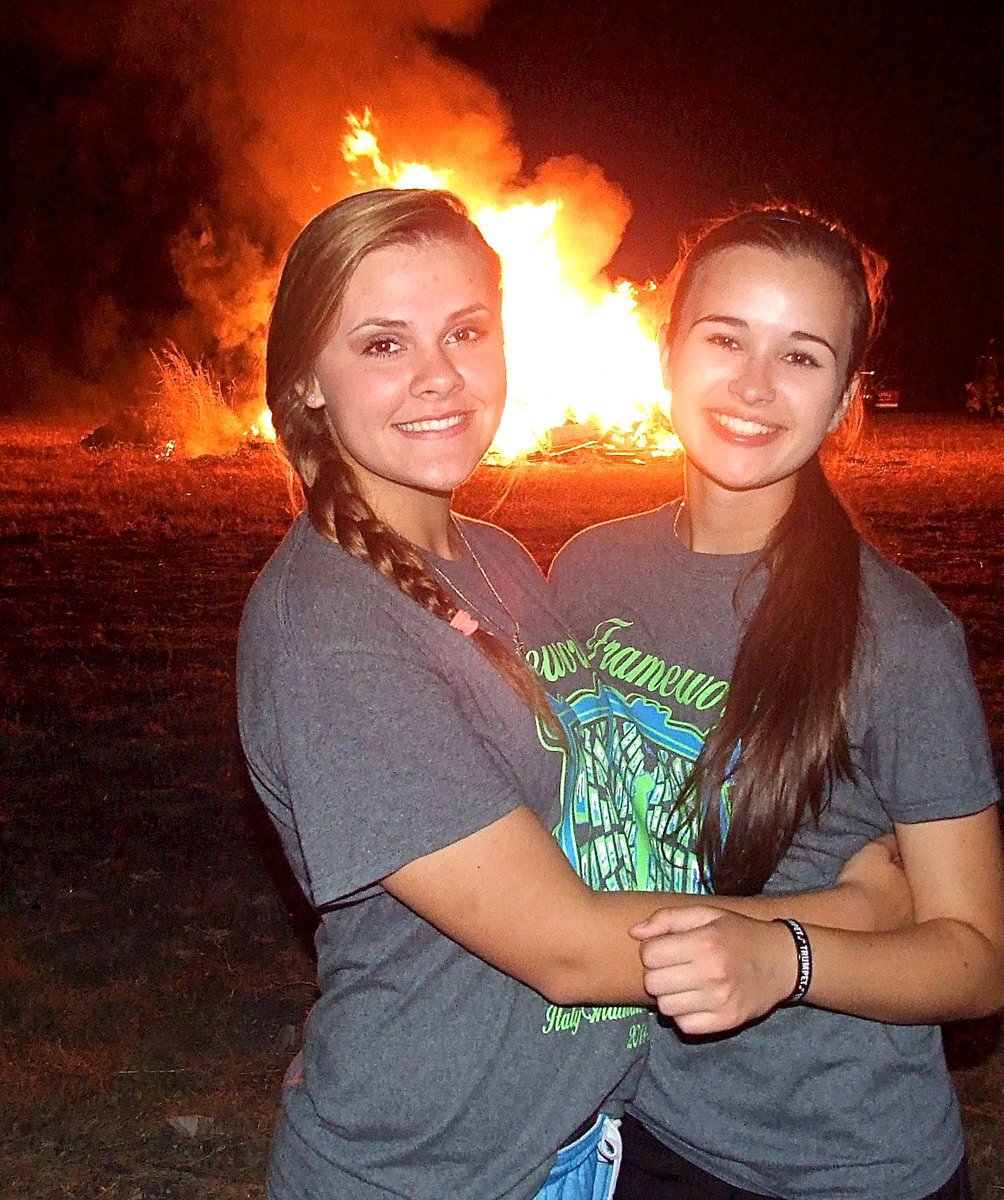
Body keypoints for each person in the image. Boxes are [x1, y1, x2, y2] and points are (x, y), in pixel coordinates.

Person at [236, 189, 911, 1200]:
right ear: (308, 384)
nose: (438, 377)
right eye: (382, 344)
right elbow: (564, 949)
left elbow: (606, 811)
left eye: (466, 331)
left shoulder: (499, 561)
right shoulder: (330, 635)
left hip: (575, 1150)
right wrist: (839, 918)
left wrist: (814, 820)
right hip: (430, 1171)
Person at [550, 203, 1004, 1200]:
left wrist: (788, 958)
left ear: (847, 394)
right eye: (726, 339)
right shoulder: (589, 572)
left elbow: (979, 961)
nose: (755, 386)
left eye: (801, 357)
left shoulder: (900, 639)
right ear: (665, 349)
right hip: (631, 1131)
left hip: (834, 1164)